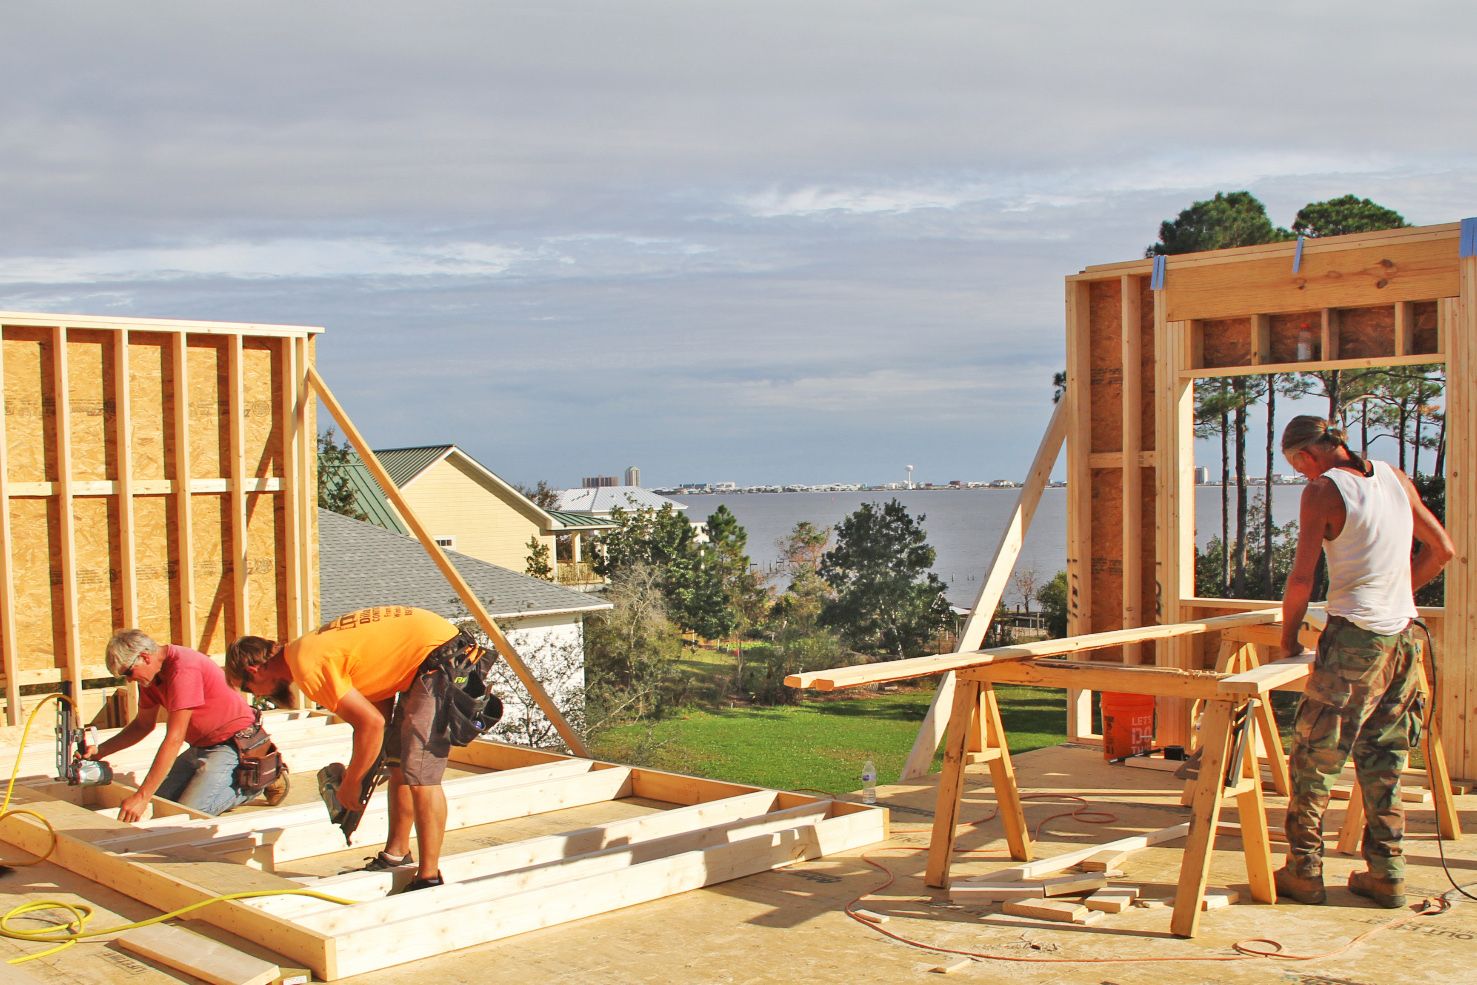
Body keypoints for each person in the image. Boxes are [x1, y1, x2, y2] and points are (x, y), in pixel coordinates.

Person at [1273, 416, 1453, 909]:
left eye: (1297, 466)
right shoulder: (1396, 478)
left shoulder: (1324, 492)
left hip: (1354, 639)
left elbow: (1302, 580)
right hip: (1404, 640)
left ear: (1306, 456)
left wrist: (1288, 638)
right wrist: (1395, 595)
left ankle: (1304, 873)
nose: (1302, 476)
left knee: (1315, 758)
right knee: (1386, 759)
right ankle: (1388, 875)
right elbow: (1443, 550)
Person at [226, 606, 488, 893]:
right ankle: (396, 854)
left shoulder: (307, 665)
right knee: (399, 760)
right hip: (427, 656)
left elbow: (371, 724)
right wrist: (363, 769)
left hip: (441, 659)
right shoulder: (305, 650)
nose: (258, 696)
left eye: (250, 689)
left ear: (254, 670)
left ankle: (428, 878)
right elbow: (378, 710)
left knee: (422, 774)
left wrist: (351, 784)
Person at [96, 631, 289, 821]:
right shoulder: (151, 679)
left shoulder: (182, 668)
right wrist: (99, 752)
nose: (129, 679)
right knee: (162, 804)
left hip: (234, 744)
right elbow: (142, 725)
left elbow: (174, 739)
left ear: (145, 657)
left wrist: (141, 796)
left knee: (187, 814)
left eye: (128, 672)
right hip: (201, 747)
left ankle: (259, 782)